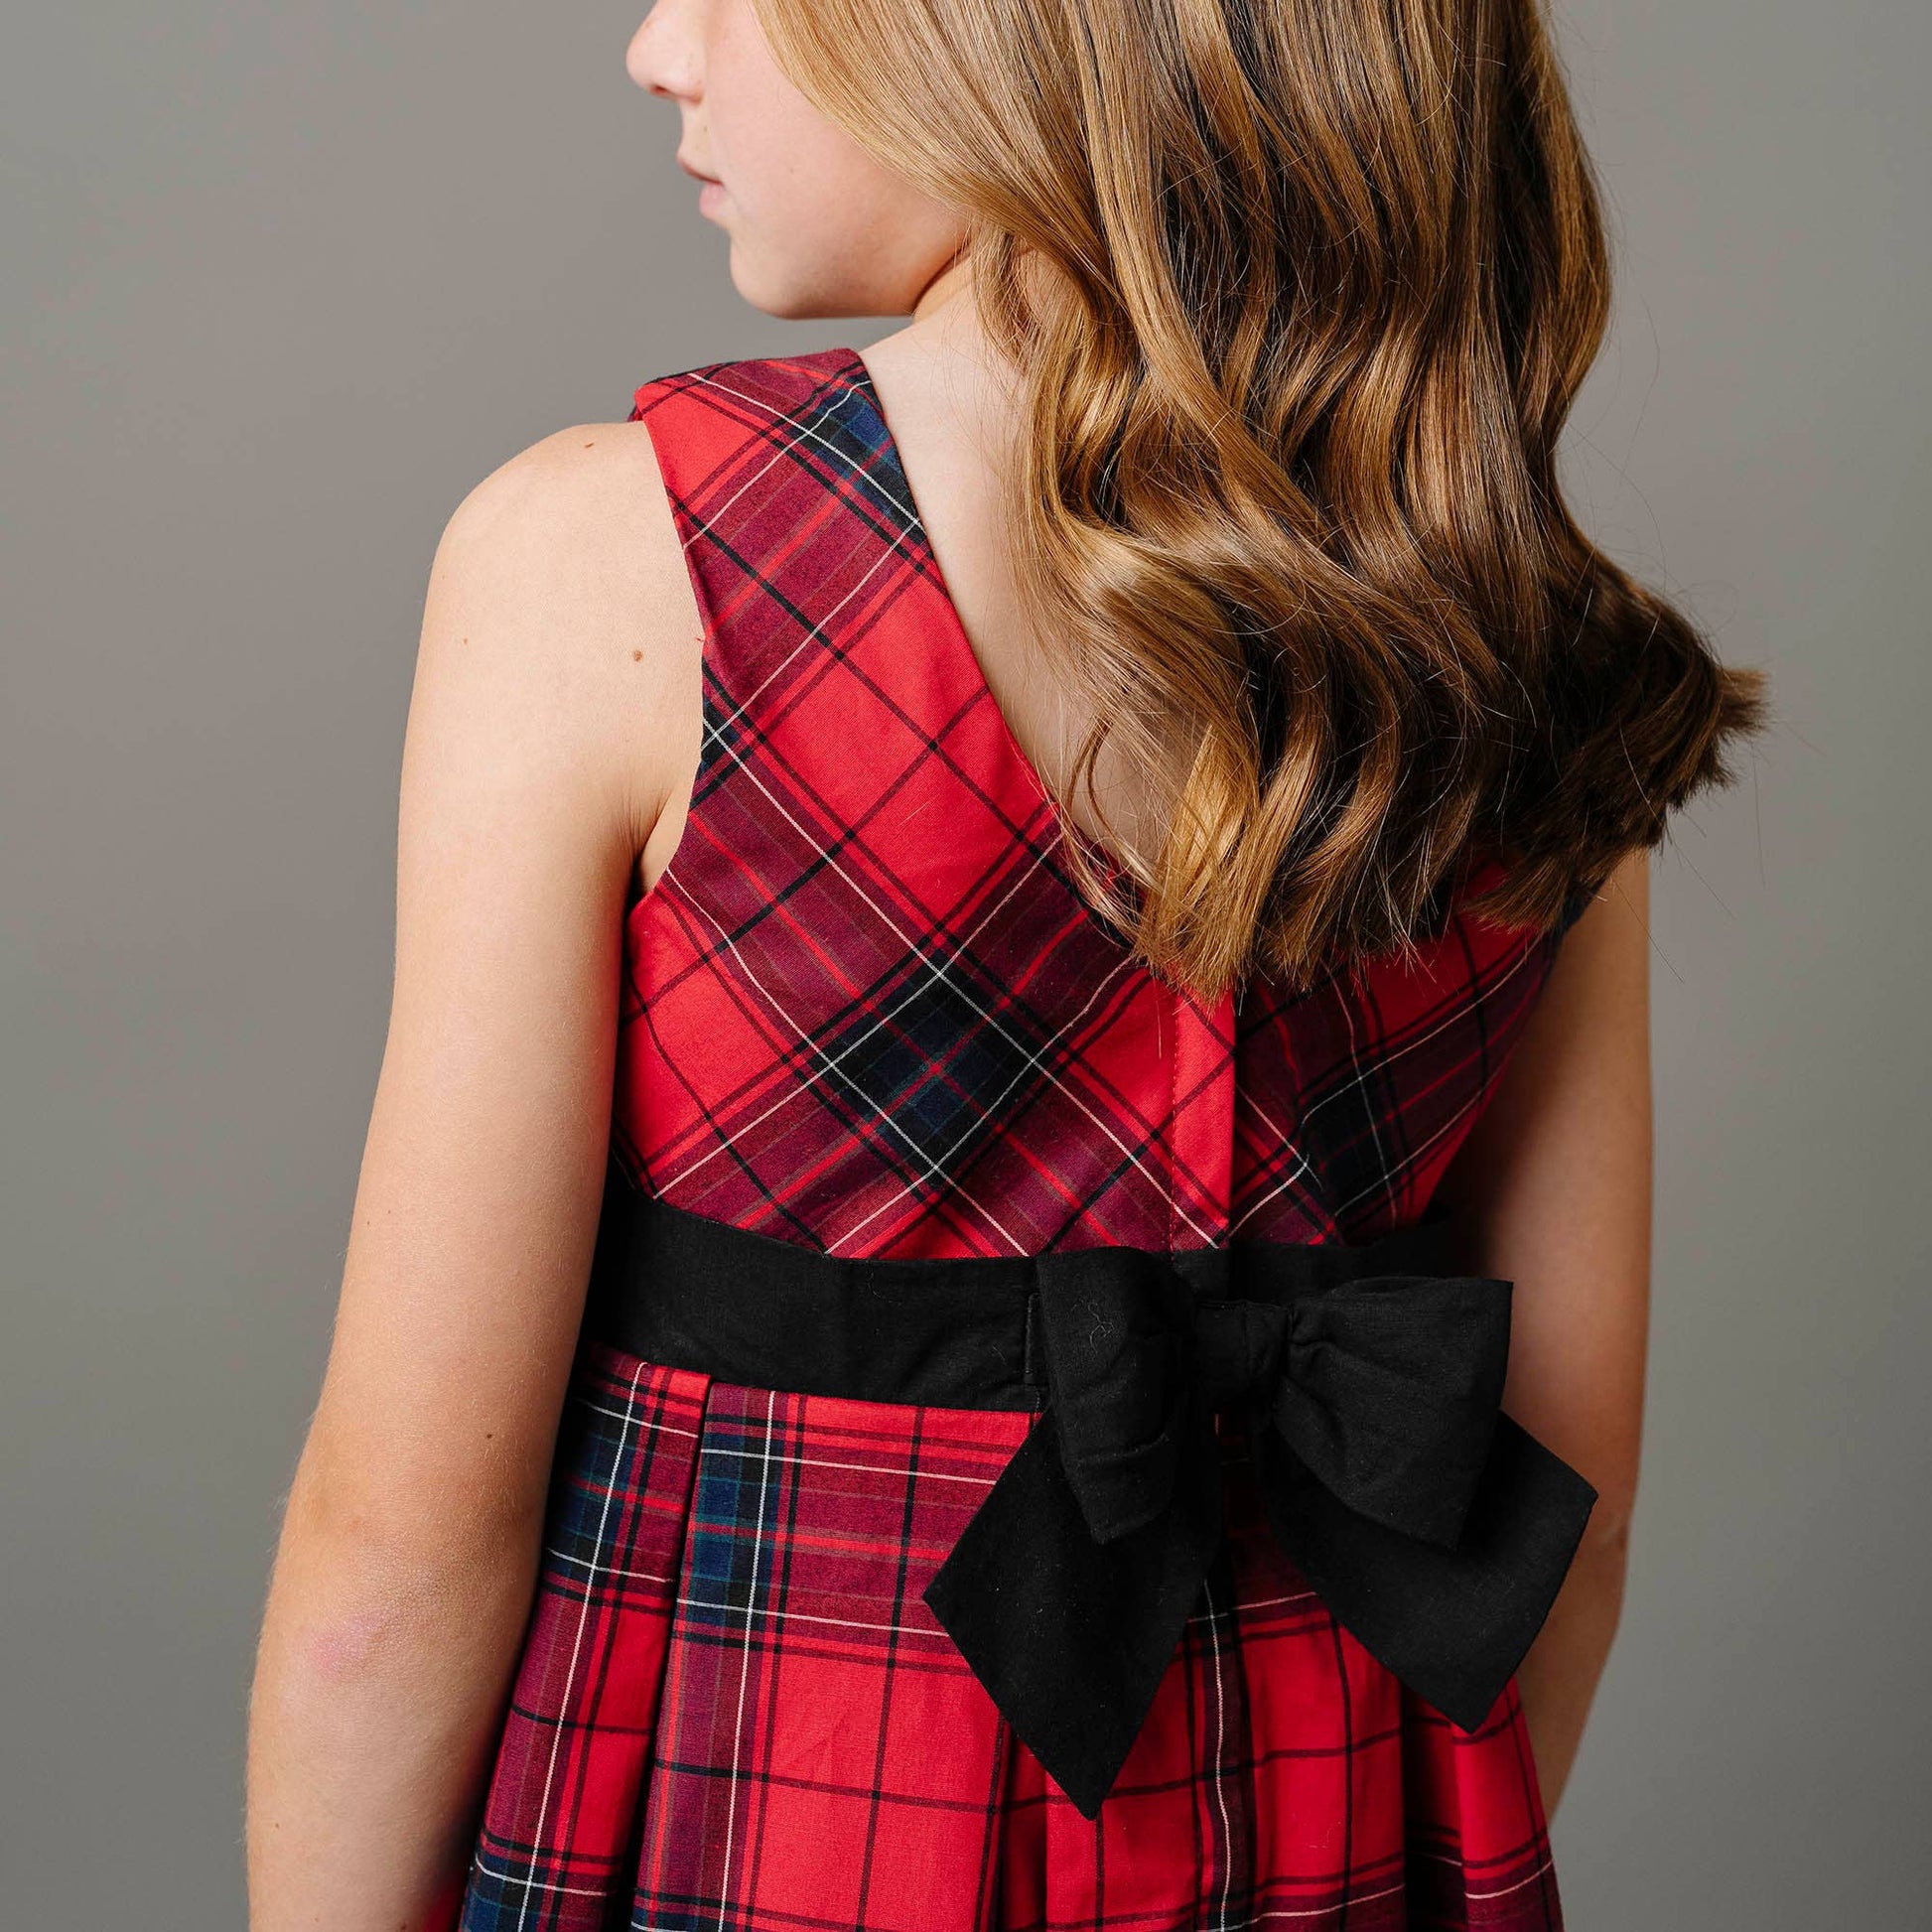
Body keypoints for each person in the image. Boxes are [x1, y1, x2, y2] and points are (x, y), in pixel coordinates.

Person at [245, 0, 1768, 1925]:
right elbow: (1573, 1493)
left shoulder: (617, 578)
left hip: (759, 1852)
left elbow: (399, 1553)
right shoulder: (1529, 661)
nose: (656, 46)